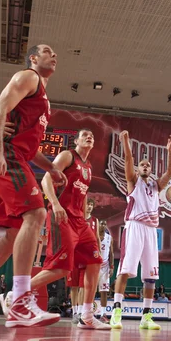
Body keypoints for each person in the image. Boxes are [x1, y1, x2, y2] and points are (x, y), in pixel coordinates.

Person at [0, 45, 66, 328]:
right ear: (33, 58)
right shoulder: (29, 77)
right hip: (7, 155)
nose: (54, 56)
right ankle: (19, 300)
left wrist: (51, 165)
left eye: (54, 53)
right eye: (47, 51)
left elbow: (30, 145)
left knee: (12, 235)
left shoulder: (43, 98)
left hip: (19, 157)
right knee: (37, 214)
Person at [26, 129, 109, 330]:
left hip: (79, 221)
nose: (90, 136)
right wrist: (54, 204)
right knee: (61, 268)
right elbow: (46, 179)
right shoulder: (68, 155)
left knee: (95, 261)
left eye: (92, 135)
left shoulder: (88, 167)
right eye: (85, 135)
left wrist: (83, 218)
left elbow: (82, 198)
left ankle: (87, 315)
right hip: (61, 216)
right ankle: (16, 293)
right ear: (76, 141)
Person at [111, 131, 171, 331]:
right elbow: (128, 159)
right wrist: (125, 142)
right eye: (142, 164)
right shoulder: (133, 181)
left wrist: (170, 151)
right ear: (138, 170)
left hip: (151, 231)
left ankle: (146, 316)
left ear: (151, 169)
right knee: (125, 270)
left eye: (148, 165)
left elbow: (170, 173)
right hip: (135, 227)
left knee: (150, 276)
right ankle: (116, 311)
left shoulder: (156, 186)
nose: (145, 166)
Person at [98, 219, 114, 323]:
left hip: (105, 267)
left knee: (104, 292)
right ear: (98, 225)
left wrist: (112, 267)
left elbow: (111, 253)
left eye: (105, 224)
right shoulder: (94, 236)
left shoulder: (109, 238)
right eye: (101, 223)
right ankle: (87, 313)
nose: (103, 225)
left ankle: (103, 314)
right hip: (94, 266)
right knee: (90, 291)